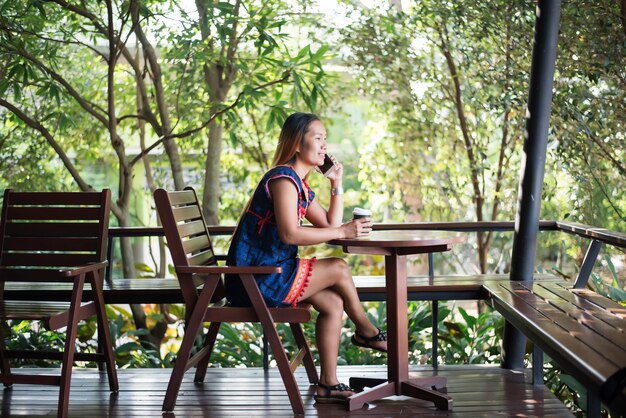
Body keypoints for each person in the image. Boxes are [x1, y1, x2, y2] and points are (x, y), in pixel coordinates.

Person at [226, 112, 387, 404]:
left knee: (334, 303)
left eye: (325, 139)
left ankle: (328, 384)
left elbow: (328, 224)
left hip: (269, 273)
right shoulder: (283, 179)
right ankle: (367, 331)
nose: (324, 145)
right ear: (297, 144)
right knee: (338, 267)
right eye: (318, 138)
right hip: (257, 279)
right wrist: (344, 230)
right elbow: (290, 233)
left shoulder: (299, 183)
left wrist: (336, 183)